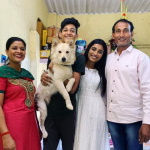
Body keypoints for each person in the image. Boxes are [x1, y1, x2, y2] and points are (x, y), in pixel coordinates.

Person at [41, 17, 85, 150]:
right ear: (59, 34)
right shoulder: (54, 53)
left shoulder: (79, 58)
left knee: (68, 147)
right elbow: (49, 76)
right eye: (65, 30)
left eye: (72, 30)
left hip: (67, 114)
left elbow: (72, 89)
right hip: (50, 112)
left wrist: (57, 73)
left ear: (76, 35)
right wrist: (44, 75)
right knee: (48, 147)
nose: (68, 32)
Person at [106, 19, 150, 150]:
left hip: (133, 120)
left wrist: (147, 122)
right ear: (113, 35)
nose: (121, 34)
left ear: (132, 34)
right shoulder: (108, 59)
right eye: (118, 31)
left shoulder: (141, 58)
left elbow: (147, 90)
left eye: (126, 30)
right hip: (112, 118)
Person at [0, 37, 41, 150]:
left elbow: (31, 105)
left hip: (31, 126)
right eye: (14, 48)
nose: (19, 51)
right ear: (7, 51)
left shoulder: (27, 75)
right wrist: (5, 135)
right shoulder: (2, 74)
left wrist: (38, 127)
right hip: (12, 126)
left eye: (22, 49)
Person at [73, 39, 110, 150]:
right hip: (80, 107)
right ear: (88, 49)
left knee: (95, 140)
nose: (95, 53)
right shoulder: (77, 66)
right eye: (93, 49)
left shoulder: (104, 70)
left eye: (100, 51)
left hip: (98, 110)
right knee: (81, 137)